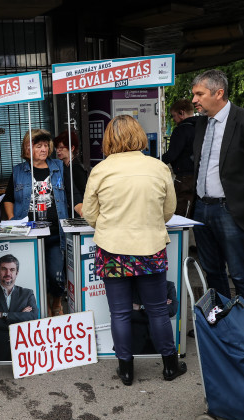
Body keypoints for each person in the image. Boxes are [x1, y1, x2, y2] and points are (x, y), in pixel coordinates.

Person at [82, 114, 185, 386]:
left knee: (120, 312)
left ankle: (126, 370)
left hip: (112, 250)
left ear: (108, 140)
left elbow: (91, 215)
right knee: (157, 311)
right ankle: (169, 367)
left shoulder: (100, 170)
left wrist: (110, 226)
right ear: (139, 136)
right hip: (150, 248)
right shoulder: (158, 167)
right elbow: (168, 211)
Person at [191, 69, 244, 314]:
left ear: (218, 93)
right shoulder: (201, 123)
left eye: (199, 94)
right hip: (202, 208)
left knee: (240, 273)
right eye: (194, 94)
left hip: (232, 209)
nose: (194, 100)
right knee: (212, 271)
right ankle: (220, 319)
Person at [3, 129, 69, 316]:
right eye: (38, 145)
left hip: (55, 233)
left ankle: (56, 300)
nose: (44, 149)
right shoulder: (18, 171)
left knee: (56, 275)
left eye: (46, 145)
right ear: (27, 148)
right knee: (35, 275)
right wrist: (12, 219)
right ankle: (45, 305)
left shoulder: (58, 167)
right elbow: (8, 198)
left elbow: (74, 190)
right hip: (28, 234)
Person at [0, 254, 38, 361]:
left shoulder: (27, 293)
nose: (8, 273)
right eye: (4, 269)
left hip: (22, 349)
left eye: (12, 270)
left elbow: (33, 317)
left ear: (16, 273)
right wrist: (20, 316)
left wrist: (1, 314)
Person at [162, 99, 197, 217]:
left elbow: (172, 154)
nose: (174, 120)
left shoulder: (181, 130)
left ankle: (183, 235)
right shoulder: (202, 127)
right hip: (201, 177)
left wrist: (154, 162)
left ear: (181, 113)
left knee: (180, 214)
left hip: (185, 178)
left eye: (174, 116)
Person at [54, 131, 88, 217]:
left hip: (77, 212)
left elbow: (82, 193)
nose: (58, 151)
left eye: (61, 148)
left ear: (72, 148)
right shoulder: (63, 167)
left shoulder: (76, 168)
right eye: (57, 148)